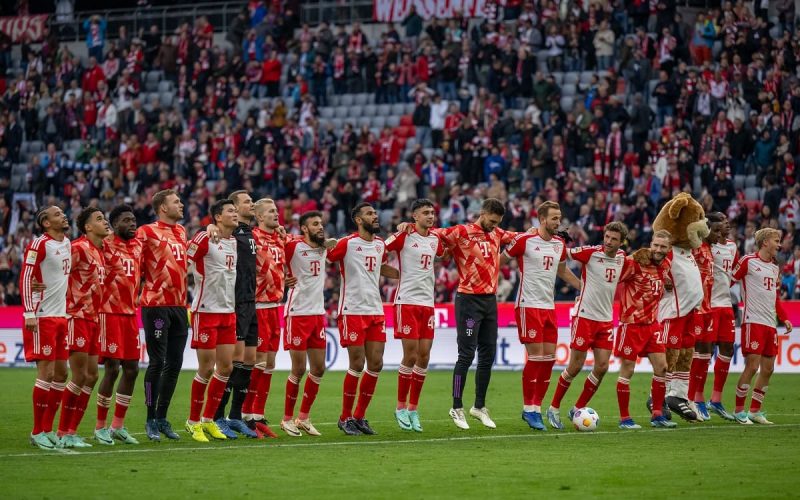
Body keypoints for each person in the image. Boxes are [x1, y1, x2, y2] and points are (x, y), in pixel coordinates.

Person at [411, 198, 523, 430]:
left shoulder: (498, 233)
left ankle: (479, 406)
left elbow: (520, 236)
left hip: (490, 302)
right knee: (466, 355)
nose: (493, 226)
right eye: (491, 221)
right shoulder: (461, 231)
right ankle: (457, 406)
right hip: (468, 301)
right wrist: (409, 226)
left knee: (487, 355)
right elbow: (433, 232)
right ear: (482, 213)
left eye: (497, 222)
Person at [501, 201, 581, 431]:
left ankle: (537, 407)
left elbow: (563, 271)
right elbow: (500, 261)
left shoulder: (559, 244)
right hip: (528, 305)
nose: (558, 222)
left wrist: (582, 287)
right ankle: (529, 409)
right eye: (554, 218)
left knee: (549, 360)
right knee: (536, 357)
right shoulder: (525, 240)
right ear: (542, 219)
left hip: (549, 306)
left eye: (560, 217)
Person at [547, 222, 628, 429]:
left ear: (621, 242)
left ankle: (578, 408)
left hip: (606, 320)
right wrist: (578, 284)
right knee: (575, 366)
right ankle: (553, 408)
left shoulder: (622, 258)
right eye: (607, 237)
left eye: (614, 239)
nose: (609, 242)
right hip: (584, 317)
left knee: (601, 367)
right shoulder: (590, 252)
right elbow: (561, 255)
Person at [328, 202, 399, 436]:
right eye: (370, 214)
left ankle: (359, 416)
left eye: (375, 213)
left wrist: (407, 273)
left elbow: (379, 267)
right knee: (357, 364)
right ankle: (344, 417)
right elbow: (326, 257)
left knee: (376, 364)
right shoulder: (347, 243)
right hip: (352, 310)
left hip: (375, 311)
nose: (375, 216)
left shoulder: (379, 245)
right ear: (359, 220)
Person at [385, 199, 444, 432]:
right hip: (406, 302)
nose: (431, 216)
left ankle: (413, 409)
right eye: (426, 213)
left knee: (424, 357)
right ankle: (400, 407)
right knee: (409, 356)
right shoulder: (404, 235)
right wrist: (392, 273)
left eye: (432, 212)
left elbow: (444, 250)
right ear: (415, 216)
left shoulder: (435, 239)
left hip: (427, 304)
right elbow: (381, 248)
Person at [185, 199, 239, 442]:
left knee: (226, 368)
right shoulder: (205, 237)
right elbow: (185, 258)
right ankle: (192, 421)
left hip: (228, 312)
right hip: (205, 311)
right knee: (206, 368)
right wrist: (205, 229)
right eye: (230, 211)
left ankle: (208, 420)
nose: (235, 214)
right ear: (218, 217)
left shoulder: (234, 241)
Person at [137, 189, 189, 441]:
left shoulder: (181, 231)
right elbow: (134, 262)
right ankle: (149, 418)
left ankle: (162, 417)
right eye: (176, 201)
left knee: (175, 364)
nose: (181, 204)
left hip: (180, 306)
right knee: (157, 363)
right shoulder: (146, 232)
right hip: (155, 304)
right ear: (162, 208)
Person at [20, 206, 72, 450]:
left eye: (63, 213)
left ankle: (48, 429)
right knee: (47, 374)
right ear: (45, 222)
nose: (63, 216)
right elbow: (25, 276)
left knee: (62, 374)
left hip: (62, 316)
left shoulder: (68, 243)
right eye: (57, 214)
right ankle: (36, 431)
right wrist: (29, 311)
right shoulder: (39, 244)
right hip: (42, 316)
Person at [615, 230, 677, 429]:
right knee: (628, 370)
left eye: (663, 247)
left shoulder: (666, 265)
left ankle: (657, 414)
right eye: (656, 245)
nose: (658, 250)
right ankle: (625, 418)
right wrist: (631, 255)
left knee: (662, 367)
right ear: (651, 244)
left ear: (669, 249)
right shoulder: (637, 263)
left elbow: (665, 284)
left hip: (652, 325)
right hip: (631, 324)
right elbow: (615, 273)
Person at [58, 207, 109, 447]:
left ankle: (72, 431)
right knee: (79, 375)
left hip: (94, 319)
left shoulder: (99, 252)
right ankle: (62, 432)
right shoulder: (78, 248)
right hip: (76, 317)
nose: (105, 221)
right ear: (88, 227)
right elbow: (60, 274)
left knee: (91, 376)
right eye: (99, 219)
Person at [731, 228, 793, 425]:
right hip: (753, 321)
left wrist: (784, 318)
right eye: (776, 240)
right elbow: (729, 280)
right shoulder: (748, 261)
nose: (779, 244)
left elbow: (774, 297)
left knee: (768, 368)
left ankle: (755, 411)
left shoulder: (775, 268)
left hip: (770, 324)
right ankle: (738, 410)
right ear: (765, 242)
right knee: (752, 366)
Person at [94, 205, 143, 445]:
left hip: (130, 315)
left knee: (132, 369)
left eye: (134, 220)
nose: (132, 223)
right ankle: (100, 427)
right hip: (108, 313)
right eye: (126, 220)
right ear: (114, 224)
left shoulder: (138, 246)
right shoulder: (104, 244)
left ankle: (118, 426)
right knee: (112, 369)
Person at [212, 191, 258, 439]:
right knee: (230, 364)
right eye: (246, 202)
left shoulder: (250, 233)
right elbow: (212, 232)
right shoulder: (224, 234)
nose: (251, 204)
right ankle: (218, 416)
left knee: (249, 361)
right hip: (236, 302)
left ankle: (236, 416)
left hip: (252, 302)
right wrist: (211, 226)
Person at [280, 211, 330, 437]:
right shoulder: (292, 246)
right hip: (297, 313)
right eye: (315, 224)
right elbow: (268, 260)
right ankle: (287, 419)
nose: (320, 227)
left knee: (319, 368)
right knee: (299, 369)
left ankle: (304, 417)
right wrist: (281, 278)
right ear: (304, 229)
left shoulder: (325, 247)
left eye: (321, 223)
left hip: (318, 314)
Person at [241, 198, 286, 438]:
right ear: (259, 216)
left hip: (275, 306)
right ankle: (246, 415)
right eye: (270, 211)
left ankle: (258, 414)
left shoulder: (280, 237)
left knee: (270, 363)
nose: (276, 214)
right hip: (257, 306)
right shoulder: (252, 237)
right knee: (257, 363)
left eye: (276, 210)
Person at [688, 212, 725, 420]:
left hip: (707, 309)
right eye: (715, 231)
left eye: (721, 231)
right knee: (689, 354)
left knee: (705, 354)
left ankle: (693, 399)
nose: (718, 235)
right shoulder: (695, 248)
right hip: (694, 309)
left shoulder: (710, 250)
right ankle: (684, 398)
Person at [705, 215, 739, 420]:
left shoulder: (733, 247)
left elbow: (733, 273)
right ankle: (694, 398)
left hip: (725, 305)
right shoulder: (706, 246)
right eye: (722, 221)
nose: (727, 223)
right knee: (704, 352)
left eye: (727, 220)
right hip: (708, 306)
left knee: (727, 348)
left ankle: (715, 400)